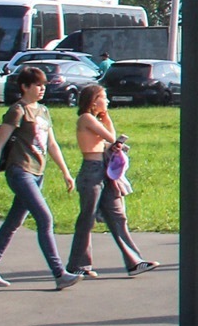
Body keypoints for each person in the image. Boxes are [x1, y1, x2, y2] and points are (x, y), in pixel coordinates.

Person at [0, 66, 80, 289]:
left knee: (13, 223)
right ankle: (59, 273)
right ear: (25, 87)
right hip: (20, 172)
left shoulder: (43, 111)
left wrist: (66, 172)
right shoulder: (18, 110)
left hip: (38, 173)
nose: (42, 89)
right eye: (38, 85)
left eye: (44, 85)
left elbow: (52, 144)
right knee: (45, 219)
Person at [66, 83, 156, 278]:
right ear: (93, 101)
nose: (106, 101)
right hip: (91, 173)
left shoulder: (93, 119)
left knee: (117, 216)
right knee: (87, 219)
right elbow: (111, 136)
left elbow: (110, 140)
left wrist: (106, 118)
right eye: (103, 98)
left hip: (103, 173)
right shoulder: (86, 118)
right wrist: (106, 118)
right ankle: (77, 265)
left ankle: (134, 262)